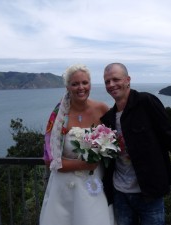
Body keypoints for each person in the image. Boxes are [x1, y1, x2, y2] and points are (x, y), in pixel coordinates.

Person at [101, 63, 171, 225]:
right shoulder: (109, 118)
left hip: (149, 192)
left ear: (127, 80)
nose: (111, 85)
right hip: (120, 193)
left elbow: (170, 136)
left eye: (115, 79)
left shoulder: (146, 102)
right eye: (107, 81)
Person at [40, 64, 114, 225]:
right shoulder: (59, 117)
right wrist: (83, 164)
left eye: (85, 83)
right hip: (65, 188)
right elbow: (50, 160)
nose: (81, 88)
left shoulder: (102, 109)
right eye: (75, 84)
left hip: (94, 183)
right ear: (67, 87)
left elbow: (116, 139)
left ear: (90, 84)